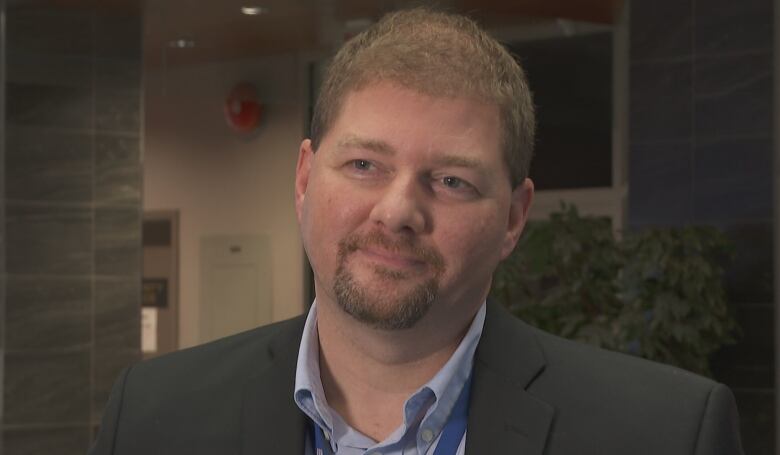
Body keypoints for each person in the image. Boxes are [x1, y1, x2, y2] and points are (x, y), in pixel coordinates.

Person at [90, 8, 744, 455]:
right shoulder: (155, 416)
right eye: (365, 164)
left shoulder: (662, 432)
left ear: (514, 217)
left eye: (451, 180)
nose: (398, 210)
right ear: (304, 178)